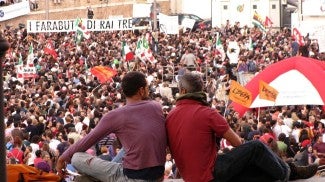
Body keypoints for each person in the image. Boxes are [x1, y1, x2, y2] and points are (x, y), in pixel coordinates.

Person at [166, 72, 290, 182]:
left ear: (182, 91)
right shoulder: (208, 113)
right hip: (211, 174)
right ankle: (288, 173)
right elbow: (237, 142)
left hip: (190, 177)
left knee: (259, 172)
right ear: (202, 90)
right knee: (257, 146)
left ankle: (289, 170)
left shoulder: (169, 117)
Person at [56, 71, 167, 181]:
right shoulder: (156, 107)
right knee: (127, 147)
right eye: (147, 87)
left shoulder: (116, 115)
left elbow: (88, 140)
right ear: (141, 90)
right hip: (158, 175)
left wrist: (62, 159)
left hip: (131, 177)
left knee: (76, 158)